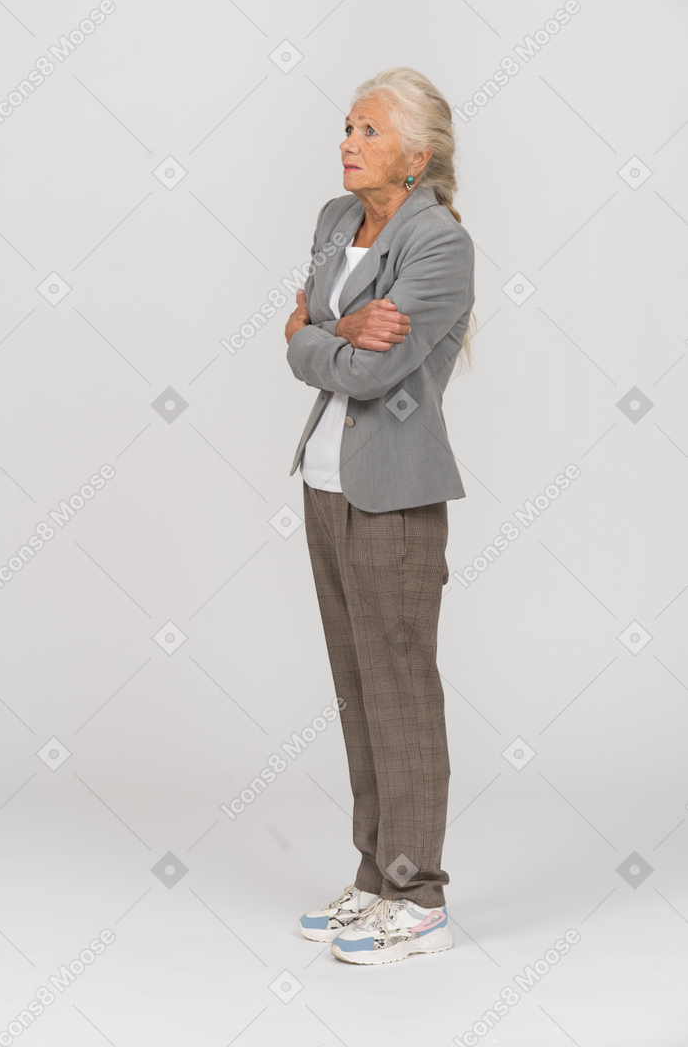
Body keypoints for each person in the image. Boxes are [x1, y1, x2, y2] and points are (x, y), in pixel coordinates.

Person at [284, 66, 475, 966]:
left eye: (365, 131)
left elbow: (366, 370)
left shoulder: (439, 243)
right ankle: (373, 878)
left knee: (400, 692)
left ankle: (419, 895)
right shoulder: (332, 220)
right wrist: (324, 335)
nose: (346, 143)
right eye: (346, 127)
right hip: (323, 484)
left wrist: (316, 337)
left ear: (414, 154)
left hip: (394, 493)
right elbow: (301, 339)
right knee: (358, 692)